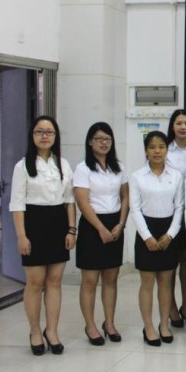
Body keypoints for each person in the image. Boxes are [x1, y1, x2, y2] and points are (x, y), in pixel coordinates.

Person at [9, 116, 76, 355]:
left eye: (49, 132)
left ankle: (52, 330)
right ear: (32, 135)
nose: (45, 136)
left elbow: (69, 200)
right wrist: (21, 236)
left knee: (55, 281)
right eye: (40, 131)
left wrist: (71, 229)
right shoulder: (22, 166)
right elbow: (17, 204)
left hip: (58, 224)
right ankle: (35, 330)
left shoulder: (63, 164)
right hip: (33, 225)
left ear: (56, 136)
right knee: (35, 282)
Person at [73, 122, 129, 346]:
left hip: (115, 223)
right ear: (90, 142)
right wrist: (100, 228)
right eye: (99, 139)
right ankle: (90, 325)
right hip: (92, 225)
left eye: (107, 139)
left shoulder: (119, 167)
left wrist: (121, 223)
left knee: (111, 277)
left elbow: (125, 196)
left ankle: (110, 323)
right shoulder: (83, 169)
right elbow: (82, 202)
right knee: (90, 279)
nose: (104, 143)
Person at [129, 131, 184, 347]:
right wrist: (147, 237)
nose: (157, 151)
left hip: (168, 231)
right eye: (152, 147)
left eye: (161, 147)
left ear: (167, 150)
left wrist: (170, 234)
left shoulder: (176, 175)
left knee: (166, 282)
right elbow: (135, 209)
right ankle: (149, 327)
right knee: (147, 283)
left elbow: (179, 207)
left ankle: (164, 324)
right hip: (147, 231)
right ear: (146, 150)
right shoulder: (137, 176)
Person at [165, 109, 186, 328]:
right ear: (172, 126)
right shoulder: (164, 149)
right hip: (169, 211)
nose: (183, 127)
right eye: (179, 123)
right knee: (170, 264)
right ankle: (171, 307)